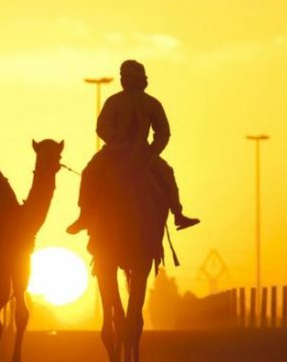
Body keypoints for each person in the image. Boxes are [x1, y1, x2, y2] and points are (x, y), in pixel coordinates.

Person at [67, 60, 199, 234]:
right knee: (90, 171)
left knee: (167, 173)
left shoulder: (152, 104)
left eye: (130, 77)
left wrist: (152, 152)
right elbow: (102, 127)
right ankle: (84, 215)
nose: (126, 80)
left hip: (144, 153)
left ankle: (177, 214)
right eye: (124, 76)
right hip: (114, 152)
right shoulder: (114, 102)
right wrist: (116, 142)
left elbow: (163, 132)